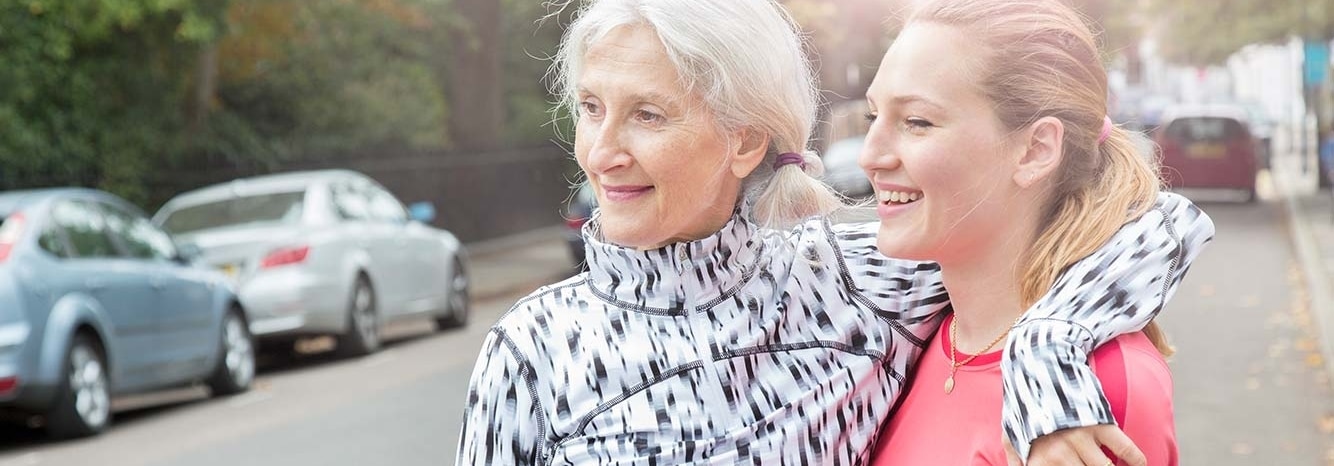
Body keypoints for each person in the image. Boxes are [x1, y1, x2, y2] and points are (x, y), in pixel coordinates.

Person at [456, 0, 1213, 464]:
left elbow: (1139, 221)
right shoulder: (533, 348)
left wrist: (1050, 341)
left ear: (745, 142)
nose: (601, 150)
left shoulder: (848, 284)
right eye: (591, 108)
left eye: (647, 114)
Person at [863, 0, 1193, 464]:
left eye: (917, 121)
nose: (870, 155)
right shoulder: (897, 339)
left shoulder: (1092, 392)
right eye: (870, 117)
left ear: (1036, 150)